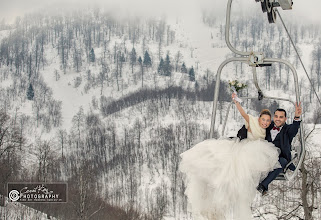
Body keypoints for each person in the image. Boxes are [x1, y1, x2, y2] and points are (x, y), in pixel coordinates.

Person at [179, 93, 281, 220]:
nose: (265, 122)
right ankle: (218, 196)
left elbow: (280, 126)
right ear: (259, 118)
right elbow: (243, 113)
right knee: (230, 164)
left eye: (267, 121)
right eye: (263, 119)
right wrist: (236, 101)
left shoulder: (268, 129)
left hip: (256, 149)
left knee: (250, 165)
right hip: (245, 147)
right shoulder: (252, 121)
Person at [257, 102, 302, 195]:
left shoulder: (288, 130)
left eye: (281, 117)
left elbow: (294, 128)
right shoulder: (268, 126)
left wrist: (297, 117)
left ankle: (263, 186)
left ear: (285, 119)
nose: (278, 119)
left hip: (279, 158)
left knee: (282, 162)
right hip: (265, 157)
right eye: (276, 116)